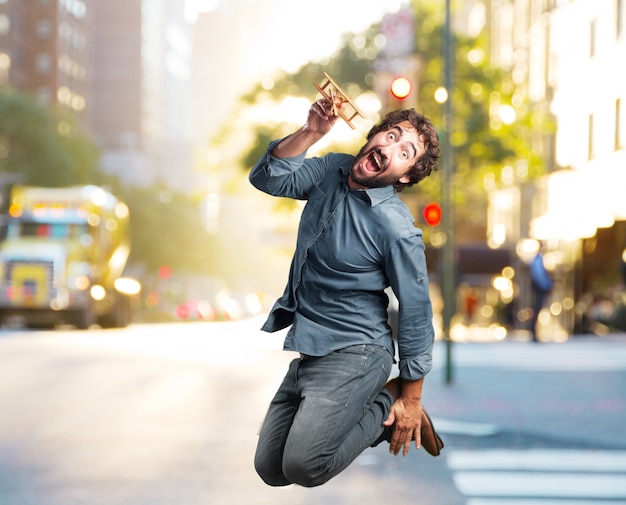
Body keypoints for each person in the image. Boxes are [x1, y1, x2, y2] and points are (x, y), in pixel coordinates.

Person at [249, 98, 443, 488]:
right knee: (270, 468)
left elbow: (417, 311)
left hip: (359, 351)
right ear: (373, 135)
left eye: (404, 152)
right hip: (311, 345)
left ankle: (384, 400)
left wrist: (410, 396)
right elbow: (268, 179)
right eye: (390, 135)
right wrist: (311, 133)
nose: (389, 148)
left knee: (306, 466)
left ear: (404, 176)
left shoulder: (396, 229)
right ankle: (365, 400)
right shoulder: (331, 169)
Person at [529, 246, 553, 342]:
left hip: (540, 287)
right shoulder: (538, 260)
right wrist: (546, 285)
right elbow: (539, 275)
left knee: (537, 310)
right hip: (540, 288)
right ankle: (533, 332)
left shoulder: (538, 260)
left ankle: (534, 332)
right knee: (536, 310)